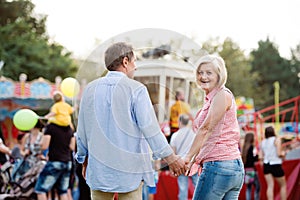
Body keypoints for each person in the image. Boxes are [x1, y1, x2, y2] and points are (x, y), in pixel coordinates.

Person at [75, 42, 186, 200]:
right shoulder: (137, 90)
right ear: (125, 62)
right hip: (130, 172)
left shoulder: (89, 90)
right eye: (134, 61)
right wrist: (171, 158)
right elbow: (151, 130)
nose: (136, 66)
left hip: (99, 171)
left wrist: (83, 160)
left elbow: (82, 132)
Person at [184, 54, 244, 200]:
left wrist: (187, 157)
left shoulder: (222, 95)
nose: (203, 76)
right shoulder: (213, 98)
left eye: (209, 73)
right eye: (200, 72)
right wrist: (195, 160)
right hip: (232, 167)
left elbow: (206, 129)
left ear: (219, 75)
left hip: (218, 167)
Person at [34, 115, 75, 200]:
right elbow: (72, 147)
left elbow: (45, 146)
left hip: (55, 162)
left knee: (40, 190)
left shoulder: (50, 128)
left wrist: (40, 145)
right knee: (63, 192)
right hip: (68, 162)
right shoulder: (69, 128)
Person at [170, 114, 198, 200]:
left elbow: (173, 152)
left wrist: (172, 167)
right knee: (197, 187)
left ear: (180, 122)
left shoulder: (175, 135)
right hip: (192, 163)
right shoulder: (194, 134)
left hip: (181, 164)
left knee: (183, 189)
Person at [261, 126, 287, 200]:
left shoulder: (263, 142)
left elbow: (261, 156)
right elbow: (279, 153)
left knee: (270, 186)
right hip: (275, 164)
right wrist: (284, 153)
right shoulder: (276, 140)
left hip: (266, 164)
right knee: (283, 185)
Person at [241, 132, 260, 200]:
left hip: (246, 170)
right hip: (252, 170)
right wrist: (257, 156)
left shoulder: (244, 148)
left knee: (248, 187)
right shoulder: (251, 147)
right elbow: (252, 159)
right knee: (257, 186)